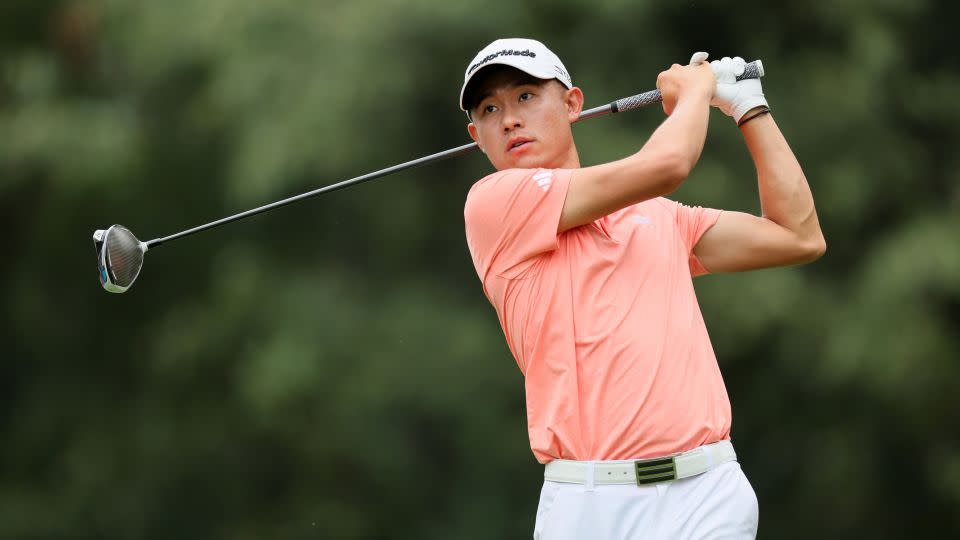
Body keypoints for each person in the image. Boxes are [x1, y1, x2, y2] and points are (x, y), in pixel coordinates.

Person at [460, 38, 825, 539]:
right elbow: (667, 166)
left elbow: (797, 235)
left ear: (573, 104)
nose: (509, 119)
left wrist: (749, 108)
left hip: (708, 494)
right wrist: (696, 92)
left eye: (525, 97)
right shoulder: (492, 205)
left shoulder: (662, 219)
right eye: (489, 109)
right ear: (475, 135)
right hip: (588, 505)